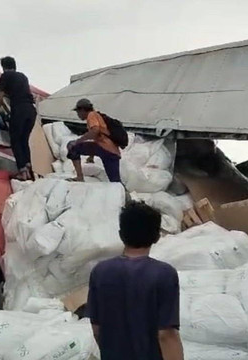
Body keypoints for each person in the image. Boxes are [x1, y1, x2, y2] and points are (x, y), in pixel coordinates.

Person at [87, 201, 184, 360]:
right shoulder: (164, 274)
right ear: (157, 236)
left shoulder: (100, 272)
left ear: (121, 234)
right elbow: (166, 335)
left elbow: (96, 329)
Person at [0, 56, 37, 181]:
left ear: (4, 67)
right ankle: (29, 169)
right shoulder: (23, 77)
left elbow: (0, 97)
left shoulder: (5, 76)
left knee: (15, 140)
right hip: (31, 110)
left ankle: (22, 172)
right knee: (24, 140)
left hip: (19, 110)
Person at [67, 98, 121, 182]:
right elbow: (99, 137)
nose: (78, 115)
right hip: (112, 151)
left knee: (73, 147)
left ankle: (80, 177)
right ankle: (124, 194)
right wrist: (91, 156)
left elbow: (95, 131)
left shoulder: (91, 115)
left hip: (106, 150)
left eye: (78, 112)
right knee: (116, 181)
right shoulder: (97, 115)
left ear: (82, 110)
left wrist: (77, 141)